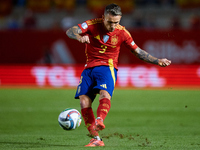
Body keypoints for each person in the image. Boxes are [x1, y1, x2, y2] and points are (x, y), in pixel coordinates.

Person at [66, 3, 171, 147]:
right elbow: (70, 31)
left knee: (105, 94)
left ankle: (100, 119)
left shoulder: (123, 33)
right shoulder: (91, 25)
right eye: (110, 22)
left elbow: (138, 51)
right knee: (84, 101)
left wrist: (157, 60)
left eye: (116, 22)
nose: (113, 26)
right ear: (103, 18)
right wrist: (78, 37)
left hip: (107, 67)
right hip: (89, 68)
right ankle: (96, 138)